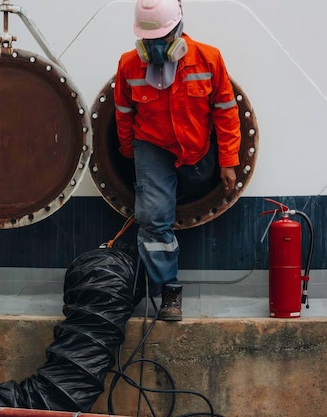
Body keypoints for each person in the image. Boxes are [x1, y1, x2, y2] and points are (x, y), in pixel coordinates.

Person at [114, 0, 241, 321]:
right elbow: (124, 112)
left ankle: (162, 282)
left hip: (197, 152)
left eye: (163, 40)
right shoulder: (130, 65)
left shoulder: (208, 59)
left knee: (188, 186)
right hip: (153, 146)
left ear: (178, 30)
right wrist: (129, 152)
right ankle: (167, 290)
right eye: (149, 41)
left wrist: (227, 160)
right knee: (154, 217)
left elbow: (225, 112)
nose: (156, 48)